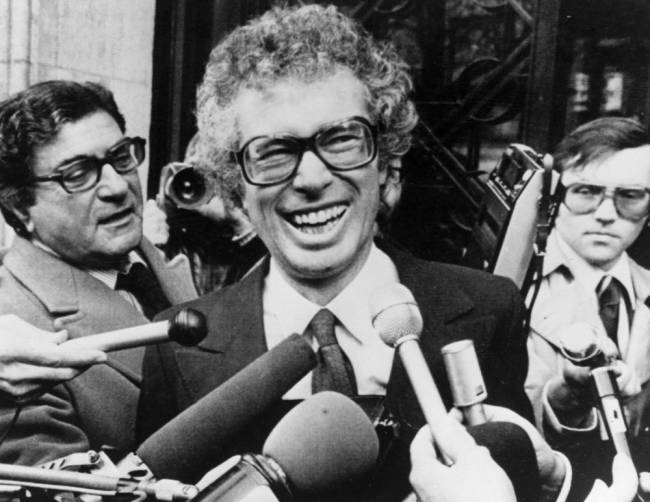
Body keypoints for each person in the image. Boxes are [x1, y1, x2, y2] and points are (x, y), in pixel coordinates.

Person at [137, 4, 537, 500]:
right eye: (274, 151)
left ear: (385, 162)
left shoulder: (489, 311)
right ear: (236, 185)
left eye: (342, 139)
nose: (311, 178)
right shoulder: (177, 343)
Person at [0, 80, 198, 465]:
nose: (117, 186)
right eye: (77, 174)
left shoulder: (170, 266)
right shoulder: (12, 331)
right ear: (20, 207)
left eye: (121, 156)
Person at [525, 117, 650, 499]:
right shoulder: (514, 290)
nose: (606, 214)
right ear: (555, 198)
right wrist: (567, 396)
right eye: (585, 192)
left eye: (630, 196)